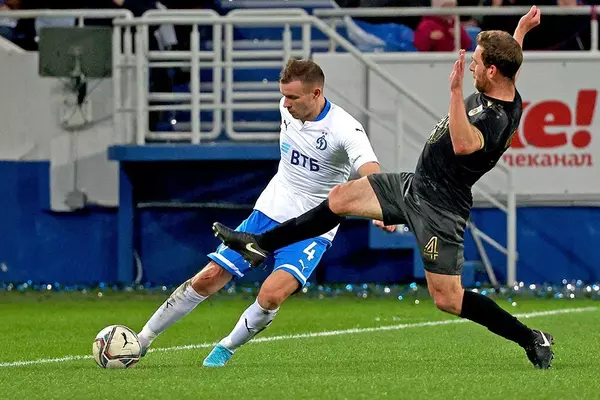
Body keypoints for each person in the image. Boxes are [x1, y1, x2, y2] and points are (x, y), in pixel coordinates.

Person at [214, 7, 554, 369]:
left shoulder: (497, 118)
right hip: (415, 185)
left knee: (448, 299)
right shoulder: (505, 82)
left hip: (440, 207)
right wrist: (520, 31)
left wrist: (455, 92)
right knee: (341, 196)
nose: (471, 67)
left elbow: (463, 144)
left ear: (492, 71)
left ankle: (531, 337)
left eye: (477, 62)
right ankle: (259, 244)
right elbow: (510, 61)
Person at [137, 58, 387, 367]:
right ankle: (142, 340)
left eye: (293, 97)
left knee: (271, 295)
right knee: (210, 276)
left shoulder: (345, 128)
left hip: (312, 225)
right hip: (271, 209)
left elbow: (370, 170)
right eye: (284, 96)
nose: (286, 103)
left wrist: (381, 207)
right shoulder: (287, 109)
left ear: (316, 93)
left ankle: (226, 348)